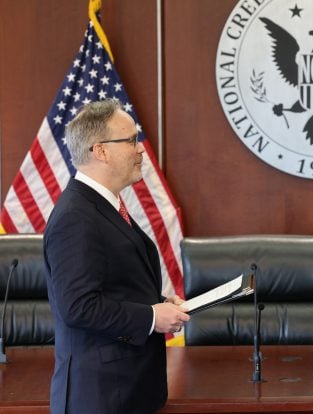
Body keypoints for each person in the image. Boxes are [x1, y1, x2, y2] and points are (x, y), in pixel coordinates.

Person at [44, 99, 190, 414]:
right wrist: (152, 318)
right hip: (100, 396)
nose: (140, 150)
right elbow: (78, 306)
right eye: (131, 140)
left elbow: (116, 284)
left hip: (125, 390)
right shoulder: (76, 216)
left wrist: (160, 304)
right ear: (101, 151)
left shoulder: (104, 205)